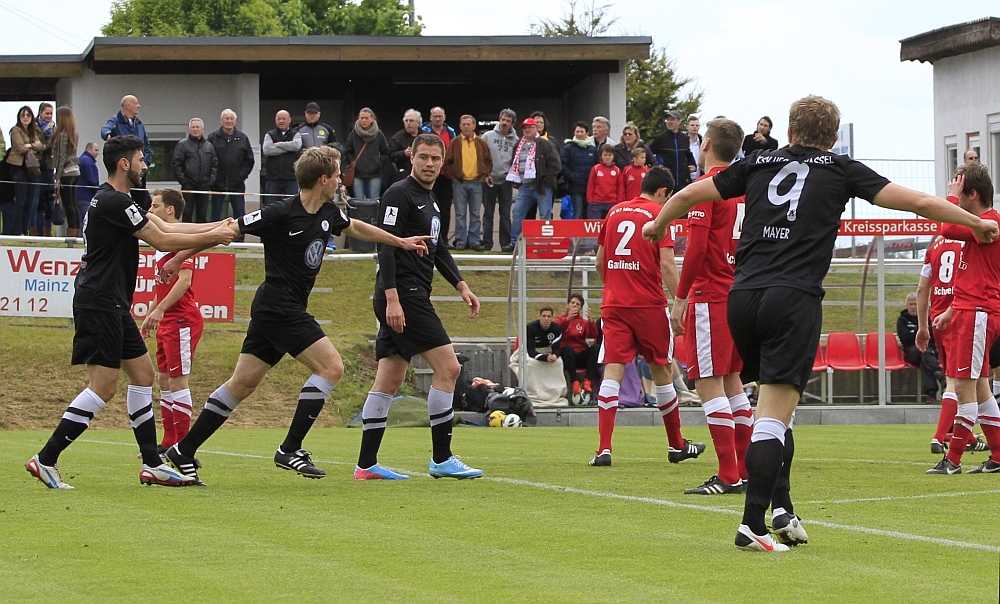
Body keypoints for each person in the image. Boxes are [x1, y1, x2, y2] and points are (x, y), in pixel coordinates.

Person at [643, 94, 999, 552]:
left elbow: (691, 192)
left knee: (775, 410)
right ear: (833, 139)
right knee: (773, 414)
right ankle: (752, 525)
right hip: (792, 299)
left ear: (788, 132)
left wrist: (659, 225)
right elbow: (917, 201)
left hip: (742, 298)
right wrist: (975, 222)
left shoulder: (756, 161)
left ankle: (783, 509)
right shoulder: (839, 168)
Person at [165, 146, 431, 485]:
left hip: (276, 310)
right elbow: (226, 233)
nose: (340, 181)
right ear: (323, 179)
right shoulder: (280, 212)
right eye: (336, 175)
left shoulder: (329, 211)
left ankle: (183, 451)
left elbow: (357, 228)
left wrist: (400, 242)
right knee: (332, 367)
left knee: (242, 384)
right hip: (279, 306)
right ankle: (290, 448)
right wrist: (178, 258)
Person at [25, 135, 237, 490]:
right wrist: (215, 236)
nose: (145, 166)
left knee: (142, 375)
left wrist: (215, 229)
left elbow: (167, 228)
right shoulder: (114, 201)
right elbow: (164, 241)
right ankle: (46, 459)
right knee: (103, 387)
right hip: (100, 301)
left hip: (111, 302)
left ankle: (152, 463)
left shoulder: (118, 201)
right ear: (125, 163)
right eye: (141, 159)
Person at [353, 133, 484, 481]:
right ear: (411, 157)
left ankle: (366, 465)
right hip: (404, 295)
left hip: (412, 294)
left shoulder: (433, 200)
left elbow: (438, 249)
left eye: (435, 159)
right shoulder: (398, 193)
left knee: (389, 380)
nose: (428, 164)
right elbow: (385, 246)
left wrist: (461, 285)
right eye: (423, 157)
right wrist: (393, 298)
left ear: (443, 162)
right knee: (449, 369)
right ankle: (442, 458)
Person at [590, 166, 704, 468]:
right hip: (649, 304)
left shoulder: (613, 212)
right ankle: (676, 445)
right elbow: (667, 264)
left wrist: (614, 286)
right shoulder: (659, 215)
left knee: (613, 369)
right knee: (661, 370)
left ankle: (604, 447)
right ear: (664, 192)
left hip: (614, 304)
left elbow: (599, 260)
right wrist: (681, 299)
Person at [669, 118, 752, 495]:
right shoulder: (745, 190)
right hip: (738, 294)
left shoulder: (706, 189)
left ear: (705, 145)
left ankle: (727, 474)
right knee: (733, 381)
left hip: (711, 295)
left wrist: (681, 298)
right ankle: (746, 470)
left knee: (707, 382)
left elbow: (698, 248)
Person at [922, 165, 1000, 475]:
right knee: (980, 389)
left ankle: (952, 459)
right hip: (970, 310)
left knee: (965, 388)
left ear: (973, 194)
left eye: (960, 190)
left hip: (978, 313)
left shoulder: (989, 223)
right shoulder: (982, 225)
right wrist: (952, 310)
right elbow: (975, 277)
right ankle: (997, 455)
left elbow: (947, 228)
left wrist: (950, 199)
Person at [139, 188, 205, 453]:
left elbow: (184, 280)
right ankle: (168, 441)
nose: (150, 211)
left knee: (178, 381)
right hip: (168, 320)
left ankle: (183, 444)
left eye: (155, 206)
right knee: (164, 380)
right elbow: (162, 287)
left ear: (170, 210)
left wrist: (160, 310)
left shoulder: (179, 239)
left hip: (182, 320)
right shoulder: (161, 243)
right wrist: (151, 313)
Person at [917, 234, 964, 453]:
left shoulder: (934, 245)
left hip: (937, 320)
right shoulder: (968, 241)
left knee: (957, 380)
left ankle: (966, 436)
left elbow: (921, 290)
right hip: (963, 315)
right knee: (966, 382)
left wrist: (923, 326)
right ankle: (940, 436)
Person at [509, 118, 562, 244]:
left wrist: (546, 181)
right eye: (525, 128)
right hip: (524, 186)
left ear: (536, 129)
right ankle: (515, 242)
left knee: (545, 216)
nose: (527, 130)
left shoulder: (545, 144)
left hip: (542, 187)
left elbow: (556, 165)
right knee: (517, 213)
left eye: (530, 127)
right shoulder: (518, 145)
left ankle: (545, 243)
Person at [443, 115, 492, 250]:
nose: (466, 126)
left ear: (474, 126)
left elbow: (488, 160)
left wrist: (485, 174)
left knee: (475, 213)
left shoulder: (481, 143)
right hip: (459, 182)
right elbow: (447, 162)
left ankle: (475, 241)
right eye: (463, 124)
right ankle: (460, 241)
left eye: (468, 124)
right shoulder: (455, 143)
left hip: (477, 182)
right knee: (460, 214)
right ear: (460, 126)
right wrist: (453, 176)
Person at [101, 95, 153, 208]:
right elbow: (105, 129)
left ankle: (144, 217)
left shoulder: (139, 124)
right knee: (123, 194)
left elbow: (147, 145)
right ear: (128, 106)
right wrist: (108, 136)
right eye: (136, 103)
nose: (139, 106)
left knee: (142, 197)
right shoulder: (116, 121)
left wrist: (145, 162)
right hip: (125, 167)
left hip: (138, 166)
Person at [207, 108, 254, 224]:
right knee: (216, 214)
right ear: (221, 121)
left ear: (235, 121)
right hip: (218, 183)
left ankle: (240, 240)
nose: (229, 121)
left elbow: (249, 160)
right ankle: (214, 239)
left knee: (240, 214)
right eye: (226, 118)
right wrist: (212, 178)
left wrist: (241, 176)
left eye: (231, 118)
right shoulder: (212, 137)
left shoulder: (243, 138)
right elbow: (208, 160)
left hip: (236, 184)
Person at [481, 109, 519, 252]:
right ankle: (487, 244)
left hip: (506, 181)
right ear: (499, 120)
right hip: (489, 179)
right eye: (503, 120)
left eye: (508, 121)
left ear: (512, 124)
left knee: (505, 214)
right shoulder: (487, 136)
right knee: (488, 213)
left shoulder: (516, 141)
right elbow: (481, 156)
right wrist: (485, 173)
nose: (504, 123)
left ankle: (505, 243)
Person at [3, 106, 44, 236]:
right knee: (21, 200)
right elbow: (20, 148)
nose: (25, 117)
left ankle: (25, 231)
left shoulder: (34, 130)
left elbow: (42, 146)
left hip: (32, 169)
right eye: (23, 115)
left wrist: (30, 145)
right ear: (19, 117)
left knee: (29, 201)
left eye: (28, 115)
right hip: (18, 167)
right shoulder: (15, 130)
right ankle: (18, 231)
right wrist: (33, 145)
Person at [897, 292, 943, 403]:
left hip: (928, 350)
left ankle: (930, 394)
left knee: (924, 359)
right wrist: (919, 333)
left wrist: (915, 333)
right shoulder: (902, 321)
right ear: (907, 305)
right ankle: (940, 376)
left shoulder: (927, 319)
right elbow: (905, 337)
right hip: (911, 352)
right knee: (922, 351)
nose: (913, 307)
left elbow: (932, 335)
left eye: (915, 304)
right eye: (911, 304)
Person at [553, 294, 600, 400]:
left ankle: (588, 380)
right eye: (573, 303)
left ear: (580, 308)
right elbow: (554, 329)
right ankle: (574, 381)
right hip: (567, 356)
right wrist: (567, 319)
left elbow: (593, 335)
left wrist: (591, 322)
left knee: (595, 348)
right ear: (568, 305)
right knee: (568, 348)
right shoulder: (560, 319)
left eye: (578, 304)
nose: (574, 306)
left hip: (580, 354)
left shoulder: (583, 322)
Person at [421, 107, 457, 244]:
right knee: (426, 207)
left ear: (444, 117)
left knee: (445, 209)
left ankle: (443, 239)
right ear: (430, 118)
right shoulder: (424, 130)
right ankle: (427, 238)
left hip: (445, 176)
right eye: (435, 116)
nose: (437, 119)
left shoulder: (451, 132)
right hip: (428, 175)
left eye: (440, 116)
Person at [172, 118, 218, 223]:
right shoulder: (182, 145)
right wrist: (184, 181)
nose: (195, 129)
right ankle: (186, 237)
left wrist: (210, 182)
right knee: (187, 213)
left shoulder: (209, 146)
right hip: (188, 185)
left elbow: (214, 164)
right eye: (193, 127)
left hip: (204, 185)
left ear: (203, 129)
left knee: (202, 214)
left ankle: (201, 238)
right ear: (189, 129)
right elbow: (176, 164)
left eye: (198, 127)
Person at [344, 107, 389, 200]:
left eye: (366, 118)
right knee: (359, 202)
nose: (364, 120)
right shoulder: (354, 134)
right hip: (358, 175)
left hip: (374, 175)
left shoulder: (379, 134)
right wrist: (354, 162)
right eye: (362, 118)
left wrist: (378, 163)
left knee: (373, 202)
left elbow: (386, 152)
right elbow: (347, 151)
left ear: (372, 119)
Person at [52, 106, 82, 238]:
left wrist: (57, 178)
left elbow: (61, 157)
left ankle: (71, 234)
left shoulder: (62, 135)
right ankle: (76, 231)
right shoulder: (74, 133)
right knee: (73, 204)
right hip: (75, 170)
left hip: (66, 172)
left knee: (68, 204)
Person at [649, 110, 695, 193]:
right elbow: (649, 154)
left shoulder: (685, 138)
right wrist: (656, 167)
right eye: (668, 120)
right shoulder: (660, 138)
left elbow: (688, 154)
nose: (669, 122)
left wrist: (693, 165)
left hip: (683, 181)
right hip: (666, 181)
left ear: (679, 122)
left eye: (672, 119)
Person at [262, 110, 302, 204]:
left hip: (291, 177)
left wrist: (278, 144)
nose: (281, 121)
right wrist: (288, 149)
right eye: (279, 119)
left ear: (289, 120)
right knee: (271, 206)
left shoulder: (295, 134)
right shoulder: (270, 135)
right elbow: (267, 150)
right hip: (273, 178)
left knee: (293, 205)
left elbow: (296, 146)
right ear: (275, 120)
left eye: (283, 119)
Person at [560, 121, 598, 220]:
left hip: (590, 187)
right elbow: (562, 165)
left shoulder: (593, 149)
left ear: (587, 133)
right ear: (574, 133)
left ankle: (586, 236)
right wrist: (572, 176)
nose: (579, 134)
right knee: (577, 212)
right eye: (577, 131)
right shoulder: (568, 148)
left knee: (588, 213)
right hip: (575, 187)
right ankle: (574, 235)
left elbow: (597, 166)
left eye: (582, 131)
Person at [34, 102, 57, 237]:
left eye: (51, 113)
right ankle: (37, 232)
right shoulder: (35, 127)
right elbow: (34, 144)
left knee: (50, 202)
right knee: (38, 201)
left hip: (48, 167)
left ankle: (47, 232)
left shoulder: (54, 128)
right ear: (41, 113)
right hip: (36, 167)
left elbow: (50, 145)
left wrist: (42, 146)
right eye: (47, 113)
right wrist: (43, 146)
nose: (49, 116)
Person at [585, 144, 623, 219]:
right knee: (594, 227)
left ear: (613, 156)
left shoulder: (617, 170)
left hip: (612, 203)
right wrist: (590, 200)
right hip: (596, 203)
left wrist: (618, 201)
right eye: (605, 155)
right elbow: (591, 185)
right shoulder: (596, 168)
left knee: (610, 226)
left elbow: (620, 187)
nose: (607, 157)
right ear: (601, 156)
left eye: (609, 155)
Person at [75, 141, 100, 231]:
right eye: (96, 150)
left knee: (80, 220)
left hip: (78, 195)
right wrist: (98, 193)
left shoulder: (81, 159)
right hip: (86, 196)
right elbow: (93, 180)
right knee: (87, 221)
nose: (98, 153)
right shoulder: (89, 162)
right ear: (89, 149)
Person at [388, 109, 421, 175]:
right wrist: (404, 153)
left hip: (422, 172)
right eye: (406, 121)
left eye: (411, 121)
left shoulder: (426, 136)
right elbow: (390, 155)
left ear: (418, 123)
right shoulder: (397, 137)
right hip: (404, 173)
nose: (408, 123)